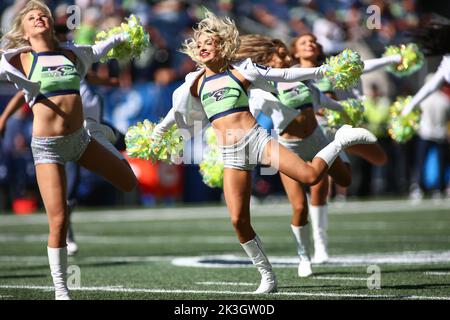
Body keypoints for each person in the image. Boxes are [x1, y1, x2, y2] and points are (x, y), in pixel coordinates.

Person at [152, 11, 376, 294]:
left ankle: (340, 140)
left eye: (209, 42)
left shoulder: (241, 71)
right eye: (199, 44)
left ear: (222, 47)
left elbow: (285, 73)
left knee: (309, 176)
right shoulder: (194, 83)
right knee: (238, 220)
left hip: (257, 140)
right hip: (231, 154)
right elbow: (177, 112)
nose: (202, 47)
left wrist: (321, 71)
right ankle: (267, 277)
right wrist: (159, 132)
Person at [0, 0, 137, 300]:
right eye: (32, 17)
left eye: (43, 15)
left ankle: (99, 135)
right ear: (22, 28)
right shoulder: (19, 59)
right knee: (59, 220)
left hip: (81, 140)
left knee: (129, 181)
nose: (39, 18)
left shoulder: (71, 53)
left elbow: (101, 49)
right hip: (47, 149)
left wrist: (122, 37)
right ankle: (61, 290)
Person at [234, 34, 354, 277]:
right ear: (267, 59)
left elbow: (321, 101)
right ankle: (304, 257)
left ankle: (340, 143)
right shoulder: (259, 88)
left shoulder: (298, 77)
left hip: (318, 139)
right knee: (299, 207)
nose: (286, 59)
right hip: (289, 148)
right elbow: (253, 114)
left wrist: (347, 110)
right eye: (281, 56)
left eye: (287, 55)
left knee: (345, 180)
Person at [290, 33, 395, 262]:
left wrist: (391, 59)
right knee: (319, 186)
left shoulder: (328, 69)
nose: (310, 44)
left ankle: (345, 147)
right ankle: (320, 245)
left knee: (380, 158)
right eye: (303, 42)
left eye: (313, 41)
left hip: (337, 128)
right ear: (295, 51)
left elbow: (362, 67)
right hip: (313, 134)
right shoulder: (290, 73)